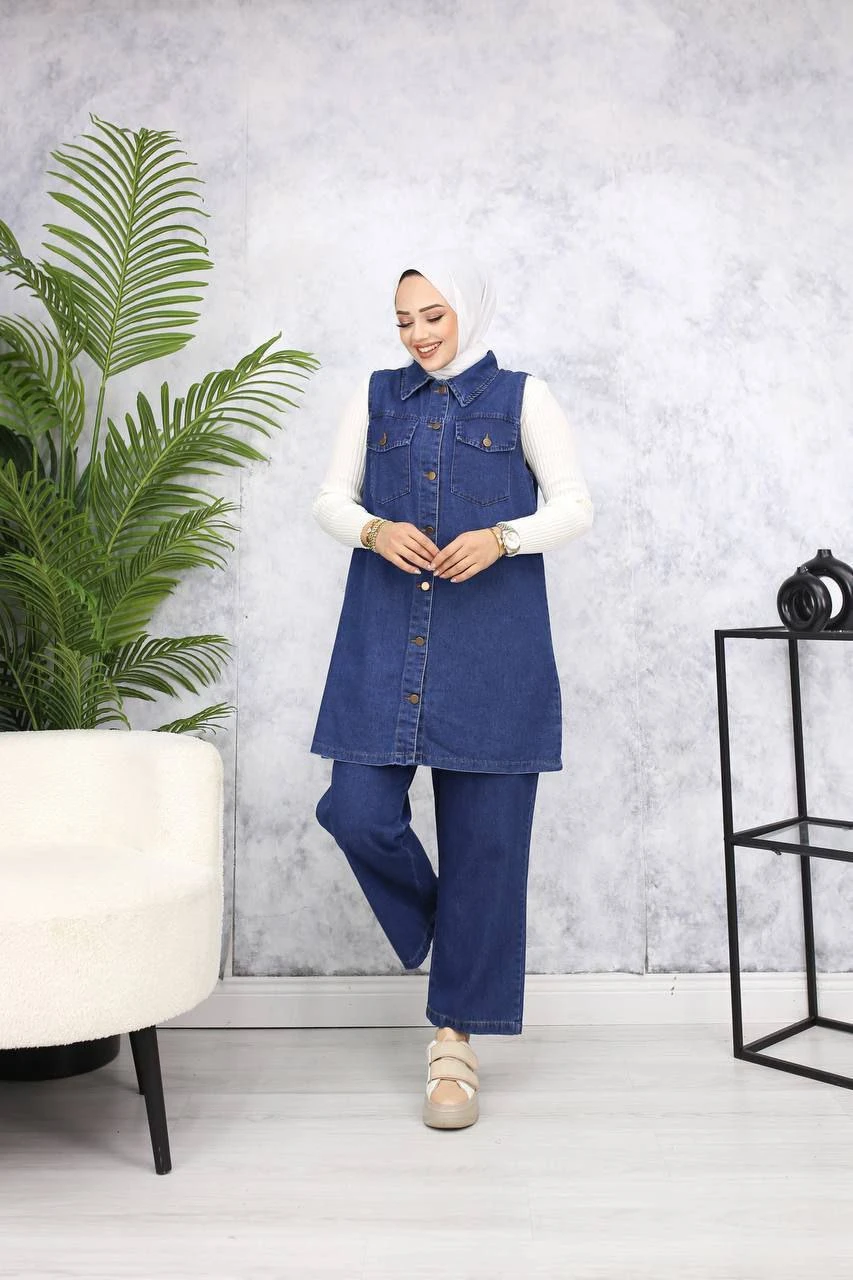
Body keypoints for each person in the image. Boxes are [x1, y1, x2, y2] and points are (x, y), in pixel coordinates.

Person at [310, 248, 594, 1129]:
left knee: (486, 849)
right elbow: (329, 497)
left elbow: (574, 504)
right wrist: (371, 530)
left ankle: (453, 1048)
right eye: (403, 320)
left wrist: (502, 537)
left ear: (467, 309)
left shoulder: (524, 397)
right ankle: (460, 929)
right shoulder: (373, 397)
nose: (418, 334)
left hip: (493, 649)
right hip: (383, 638)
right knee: (355, 811)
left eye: (432, 315)